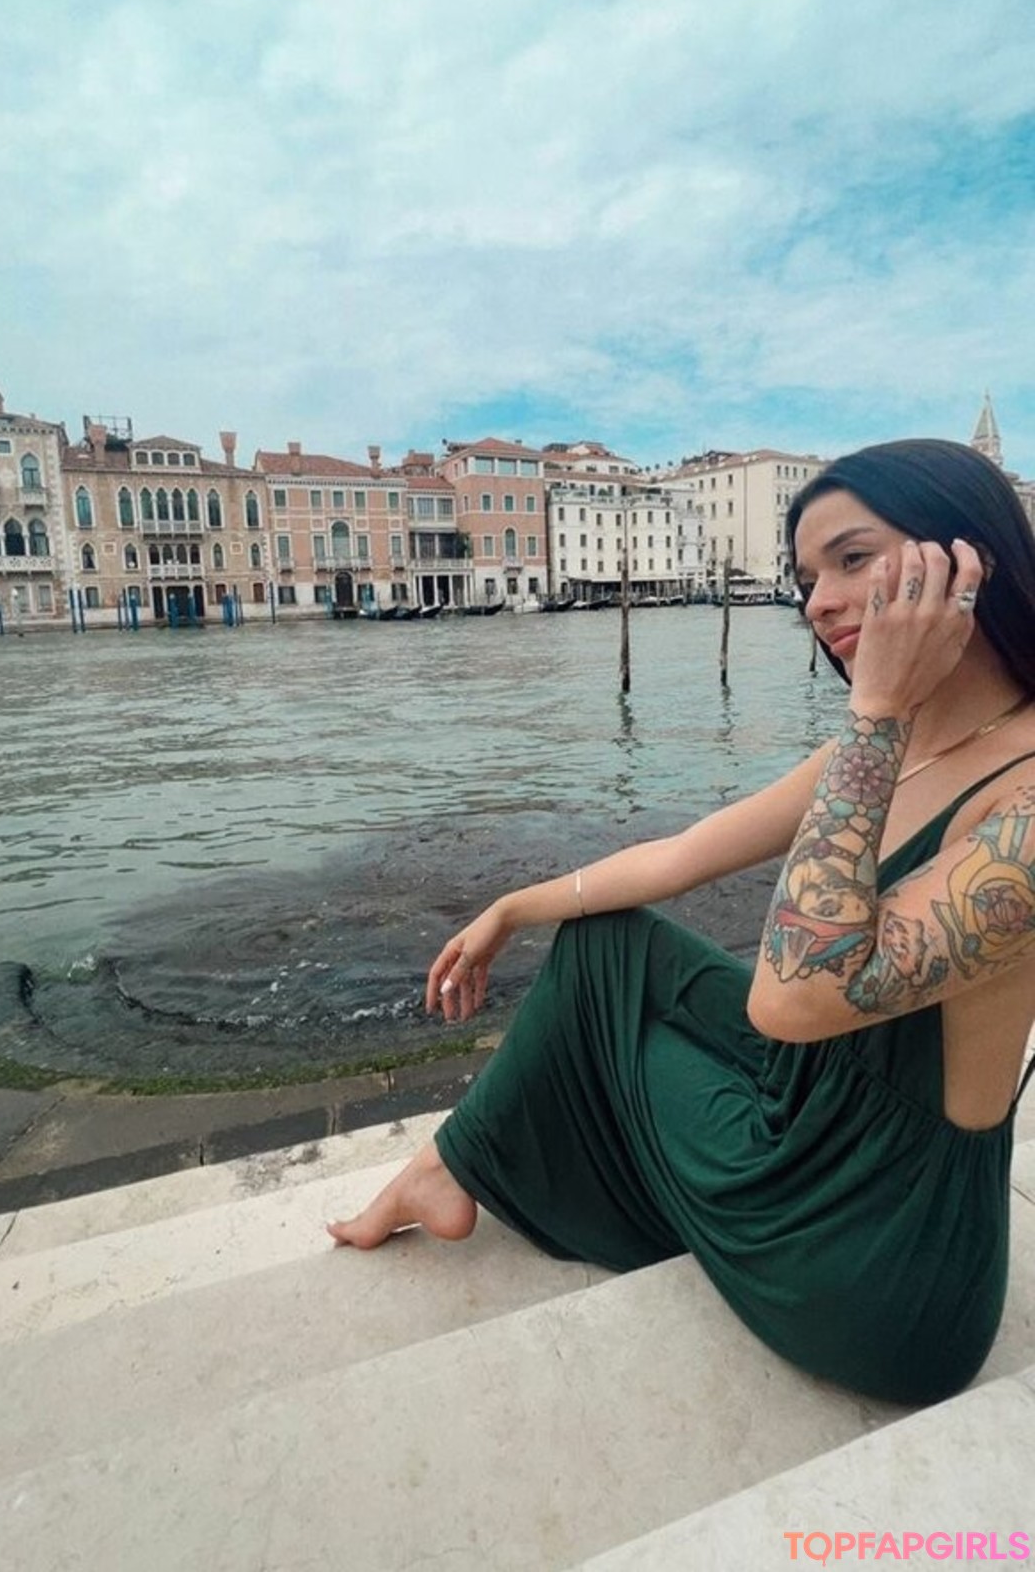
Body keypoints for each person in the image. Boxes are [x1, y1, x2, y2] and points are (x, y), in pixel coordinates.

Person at [329, 439, 1035, 1405]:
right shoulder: (906, 743)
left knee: (608, 1025)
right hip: (817, 1117)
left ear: (966, 560)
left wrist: (876, 707)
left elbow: (792, 998)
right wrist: (510, 908)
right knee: (601, 944)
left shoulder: (1008, 790)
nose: (818, 602)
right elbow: (684, 853)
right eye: (807, 578)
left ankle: (458, 1168)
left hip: (884, 1261)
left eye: (852, 558)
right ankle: (451, 1164)